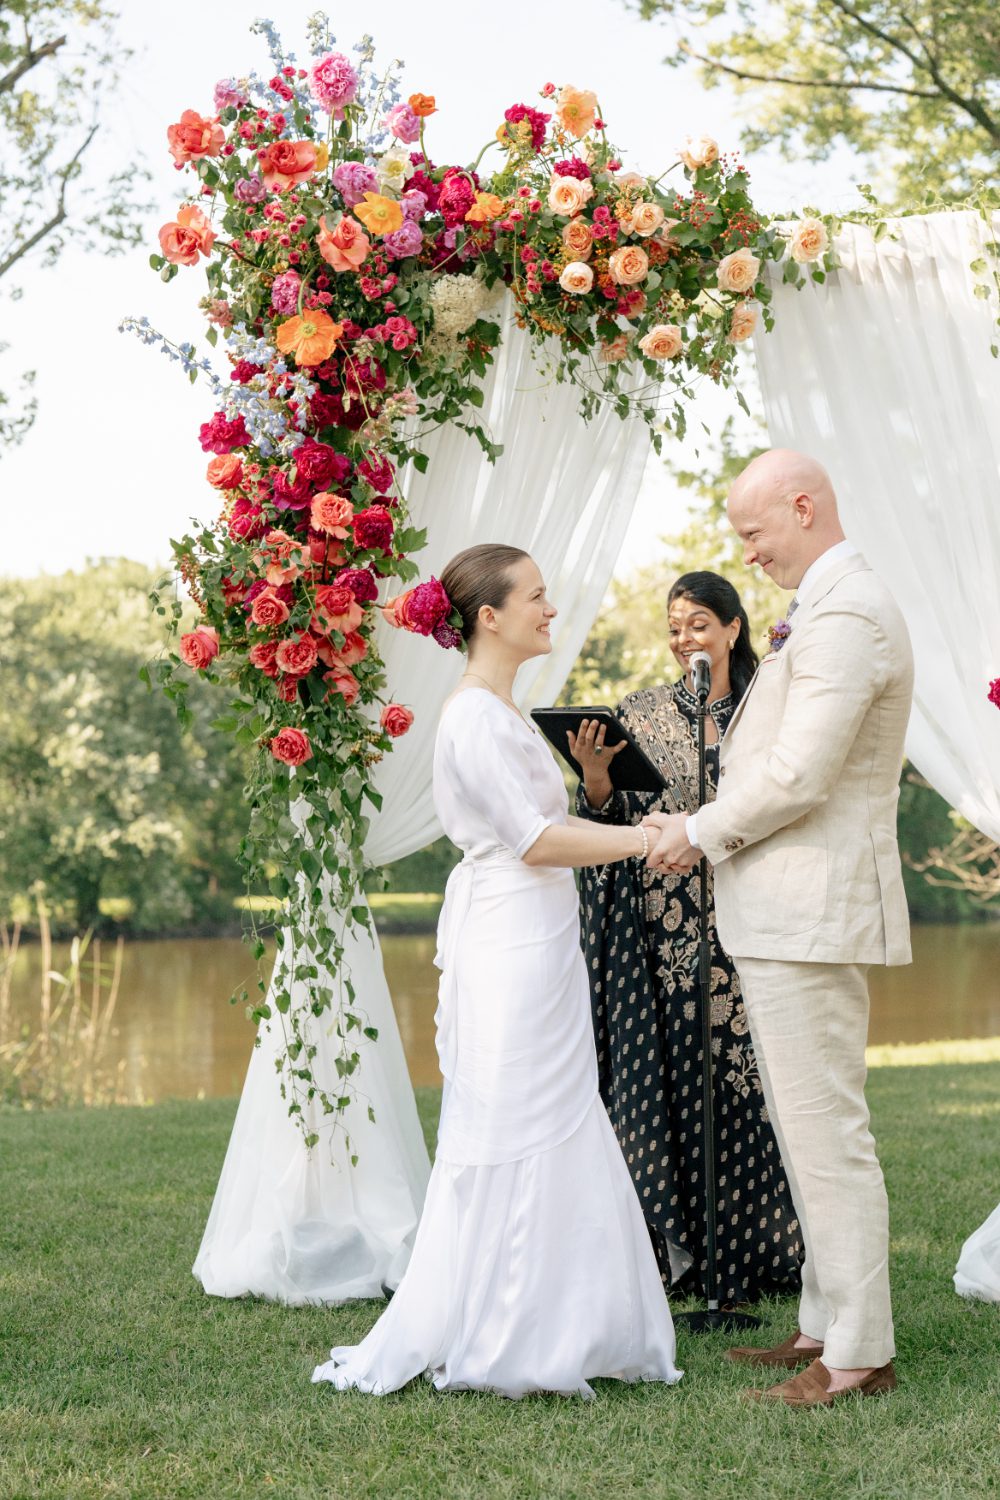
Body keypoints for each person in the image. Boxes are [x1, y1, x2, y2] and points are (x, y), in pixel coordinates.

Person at [312, 543, 682, 1399]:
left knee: (559, 1112)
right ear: (490, 616)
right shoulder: (473, 717)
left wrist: (596, 785)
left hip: (541, 937)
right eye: (538, 598)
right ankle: (509, 1329)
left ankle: (571, 1319)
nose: (551, 611)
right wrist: (649, 836)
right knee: (517, 1120)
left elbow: (544, 823)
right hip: (508, 944)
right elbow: (532, 842)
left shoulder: (506, 713)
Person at [645, 449, 913, 1408]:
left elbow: (800, 773)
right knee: (801, 1129)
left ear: (803, 507)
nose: (746, 551)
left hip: (810, 910)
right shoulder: (824, 606)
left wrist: (695, 833)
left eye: (755, 531)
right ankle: (822, 1321)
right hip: (782, 912)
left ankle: (860, 1352)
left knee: (826, 1130)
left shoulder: (848, 613)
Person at [571, 571, 802, 1307]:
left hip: (748, 927)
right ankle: (672, 1257)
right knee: (670, 1087)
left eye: (698, 624)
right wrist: (597, 781)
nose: (683, 640)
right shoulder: (637, 713)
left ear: (733, 628)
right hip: (662, 936)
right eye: (674, 627)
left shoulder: (775, 712)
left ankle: (757, 1252)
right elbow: (613, 826)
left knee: (741, 1088)